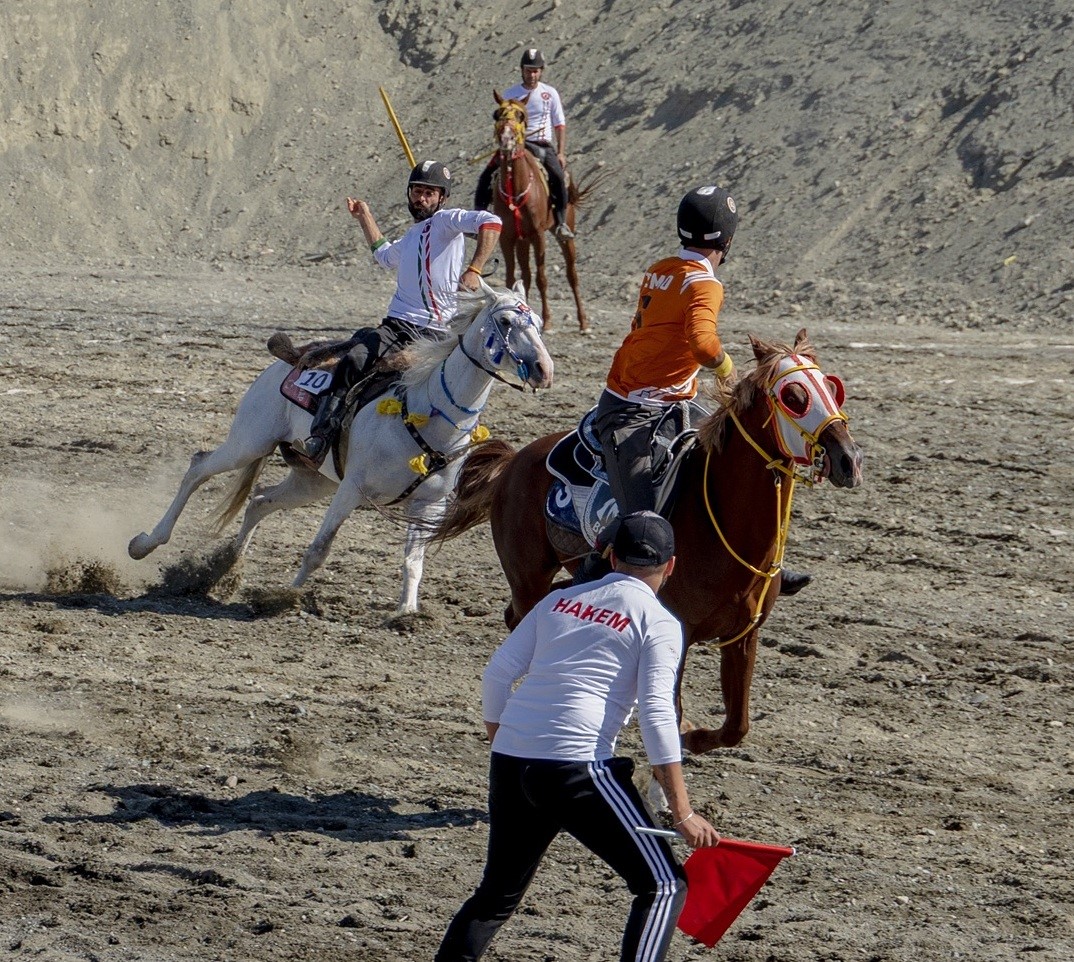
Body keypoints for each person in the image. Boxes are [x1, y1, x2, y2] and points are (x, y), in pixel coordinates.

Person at [435, 511, 720, 962]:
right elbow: (657, 715)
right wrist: (682, 812)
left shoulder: (557, 601)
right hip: (577, 766)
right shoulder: (660, 622)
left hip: (512, 759)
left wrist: (503, 740)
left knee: (496, 896)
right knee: (664, 885)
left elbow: (497, 676)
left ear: (609, 555)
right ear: (671, 566)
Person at [579, 185, 811, 594]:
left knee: (740, 462)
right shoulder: (706, 283)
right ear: (728, 238)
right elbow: (703, 344)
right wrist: (728, 371)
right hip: (632, 414)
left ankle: (765, 564)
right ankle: (586, 577)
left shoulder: (660, 269)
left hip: (672, 402)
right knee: (643, 522)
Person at [292, 160, 502, 461]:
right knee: (354, 360)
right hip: (396, 325)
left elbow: (491, 222)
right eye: (417, 191)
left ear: (442, 197)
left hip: (435, 332)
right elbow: (385, 256)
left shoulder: (447, 221)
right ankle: (321, 437)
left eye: (430, 192)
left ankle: (464, 453)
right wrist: (365, 216)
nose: (421, 198)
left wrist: (475, 268)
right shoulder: (412, 236)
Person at [474, 47, 574, 239]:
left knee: (558, 177)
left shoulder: (550, 93)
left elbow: (559, 124)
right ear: (522, 70)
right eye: (528, 70)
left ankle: (561, 223)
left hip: (542, 144)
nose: (532, 75)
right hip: (516, 144)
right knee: (486, 176)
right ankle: (478, 221)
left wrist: (561, 152)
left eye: (536, 70)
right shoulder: (511, 94)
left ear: (541, 71)